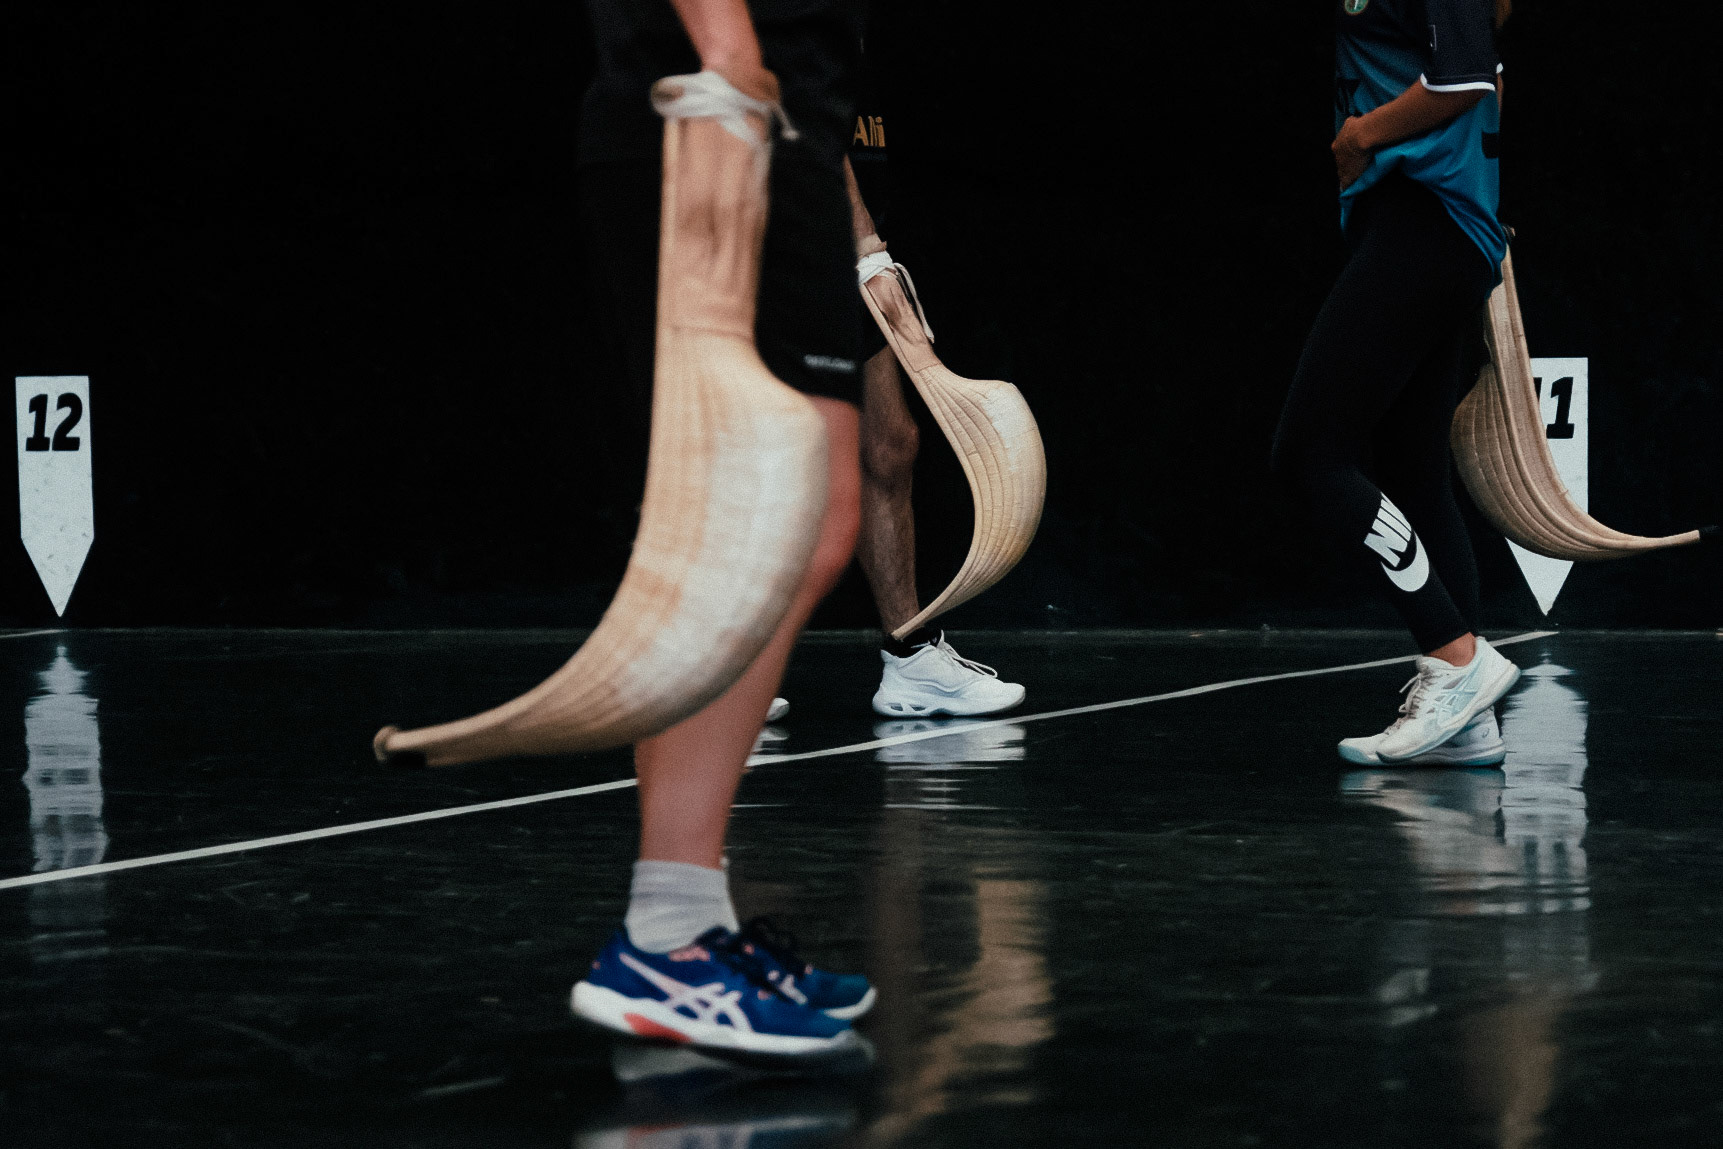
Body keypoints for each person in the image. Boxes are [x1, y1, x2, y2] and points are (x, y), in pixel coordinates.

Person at [569, 0, 874, 1056]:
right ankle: (665, 937)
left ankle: (687, 918)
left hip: (770, 124)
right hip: (717, 116)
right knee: (754, 516)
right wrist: (728, 60)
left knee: (801, 519)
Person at [1271, 0, 1521, 766]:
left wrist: (1358, 136)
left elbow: (1468, 76)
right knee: (1414, 470)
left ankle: (1455, 659)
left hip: (1429, 216)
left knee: (1310, 456)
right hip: (1415, 216)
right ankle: (1466, 718)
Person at [772, 32, 1027, 724]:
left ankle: (910, 659)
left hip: (848, 240)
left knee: (890, 444)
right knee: (769, 451)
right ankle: (727, 669)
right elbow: (797, 115)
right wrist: (864, 249)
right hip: (787, 236)